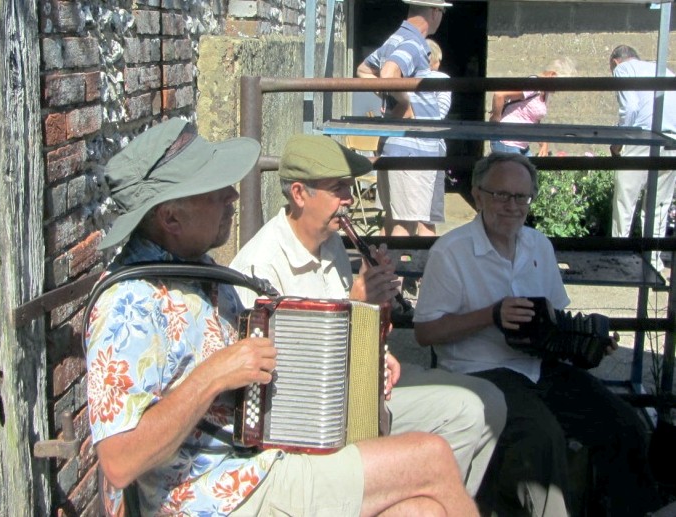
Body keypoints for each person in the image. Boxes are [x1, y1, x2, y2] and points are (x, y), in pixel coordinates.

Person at [84, 118, 478, 516]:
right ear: (170, 218)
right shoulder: (127, 304)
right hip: (213, 495)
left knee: (419, 511)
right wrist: (214, 375)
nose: (231, 196)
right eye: (215, 191)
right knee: (431, 457)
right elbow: (119, 461)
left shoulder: (198, 272)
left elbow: (267, 367)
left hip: (260, 462)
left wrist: (359, 356)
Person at [230, 133, 506, 497]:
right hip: (314, 420)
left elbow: (359, 334)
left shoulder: (330, 244)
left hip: (356, 387)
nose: (348, 200)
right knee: (466, 411)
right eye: (338, 189)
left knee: (487, 404)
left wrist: (378, 327)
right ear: (299, 194)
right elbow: (283, 381)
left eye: (350, 187)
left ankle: (429, 501)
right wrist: (356, 303)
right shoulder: (260, 265)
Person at [413, 152, 661, 517]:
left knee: (623, 423)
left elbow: (555, 320)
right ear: (478, 196)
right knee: (540, 439)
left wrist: (587, 342)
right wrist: (491, 315)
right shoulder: (450, 252)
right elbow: (425, 332)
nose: (511, 206)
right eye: (501, 195)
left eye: (521, 197)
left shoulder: (538, 245)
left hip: (537, 367)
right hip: (479, 371)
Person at [356, 0, 450, 237]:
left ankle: (388, 273)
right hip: (413, 149)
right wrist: (405, 101)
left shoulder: (395, 38)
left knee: (394, 219)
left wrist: (391, 97)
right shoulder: (413, 43)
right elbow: (388, 74)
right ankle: (397, 274)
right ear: (435, 12)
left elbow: (364, 71)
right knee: (405, 224)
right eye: (442, 12)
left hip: (396, 145)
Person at [608, 44, 676, 272]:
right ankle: (654, 262)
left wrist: (618, 142)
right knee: (659, 205)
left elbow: (630, 108)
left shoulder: (623, 70)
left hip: (641, 138)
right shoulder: (664, 70)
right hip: (671, 140)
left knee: (625, 201)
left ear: (616, 61)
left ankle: (619, 259)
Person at [488, 58, 576, 156]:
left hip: (521, 145)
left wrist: (544, 142)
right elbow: (499, 95)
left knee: (531, 170)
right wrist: (496, 120)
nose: (559, 89)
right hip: (506, 141)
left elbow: (533, 119)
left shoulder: (544, 91)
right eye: (559, 85)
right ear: (552, 75)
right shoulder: (534, 84)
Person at [420, 37, 452, 236]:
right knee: (428, 217)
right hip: (432, 145)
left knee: (397, 218)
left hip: (402, 146)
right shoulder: (442, 79)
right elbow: (440, 114)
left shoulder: (401, 78)